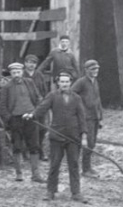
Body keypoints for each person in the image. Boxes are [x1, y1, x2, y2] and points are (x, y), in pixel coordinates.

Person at [24, 72, 88, 204]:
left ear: (70, 82)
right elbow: (42, 108)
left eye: (67, 81)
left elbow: (82, 118)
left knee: (74, 165)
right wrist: (32, 115)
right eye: (62, 82)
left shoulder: (76, 98)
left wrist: (84, 136)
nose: (64, 84)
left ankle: (76, 192)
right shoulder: (52, 96)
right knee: (54, 164)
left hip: (73, 137)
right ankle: (50, 191)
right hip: (57, 136)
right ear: (58, 83)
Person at [0, 62, 45, 182]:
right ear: (10, 73)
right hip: (16, 120)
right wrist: (9, 119)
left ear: (22, 72)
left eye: (18, 72)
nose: (16, 75)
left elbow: (39, 98)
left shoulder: (29, 83)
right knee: (17, 147)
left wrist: (34, 113)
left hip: (30, 118)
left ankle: (35, 174)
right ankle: (18, 173)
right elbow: (3, 107)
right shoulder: (7, 87)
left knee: (34, 146)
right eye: (14, 73)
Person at [72, 60, 103, 178]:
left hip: (95, 116)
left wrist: (100, 116)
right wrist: (80, 108)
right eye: (92, 69)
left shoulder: (95, 82)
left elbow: (97, 99)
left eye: (96, 69)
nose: (95, 71)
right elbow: (71, 94)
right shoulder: (81, 82)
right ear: (86, 70)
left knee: (93, 142)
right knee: (88, 142)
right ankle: (85, 169)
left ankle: (88, 167)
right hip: (86, 117)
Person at [24, 54, 49, 161]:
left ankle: (40, 150)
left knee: (42, 128)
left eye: (33, 63)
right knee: (28, 129)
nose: (31, 65)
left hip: (39, 105)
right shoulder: (22, 74)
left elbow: (44, 90)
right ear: (25, 63)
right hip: (26, 105)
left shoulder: (39, 75)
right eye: (29, 62)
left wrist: (44, 104)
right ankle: (28, 151)